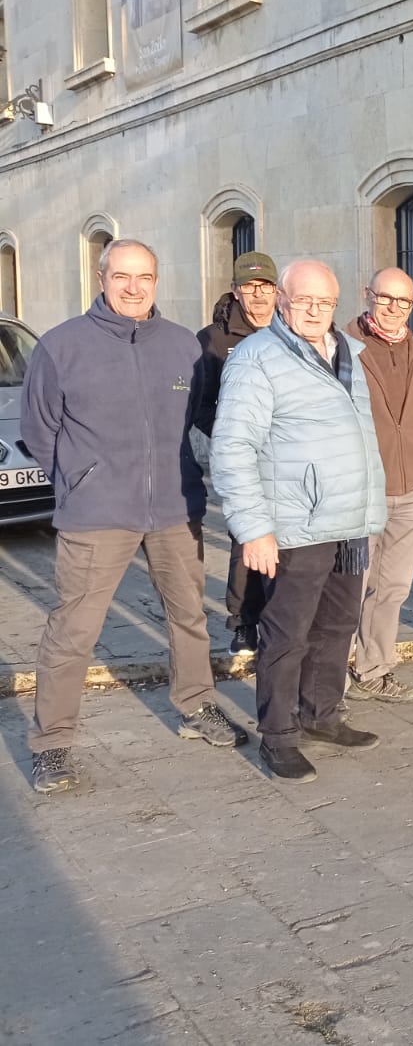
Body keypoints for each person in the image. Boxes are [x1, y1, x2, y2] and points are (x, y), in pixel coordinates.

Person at [23, 239, 247, 794]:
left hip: (174, 507)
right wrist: (81, 482)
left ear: (156, 279)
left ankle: (197, 705)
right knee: (74, 629)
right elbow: (39, 431)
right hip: (97, 514)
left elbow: (197, 414)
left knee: (189, 615)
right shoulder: (61, 346)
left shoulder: (181, 347)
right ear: (101, 277)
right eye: (121, 275)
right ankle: (52, 743)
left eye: (143, 276)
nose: (132, 286)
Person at [210, 260, 388, 784]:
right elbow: (234, 447)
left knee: (337, 625)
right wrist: (253, 529)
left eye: (326, 302)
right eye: (304, 300)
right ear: (283, 301)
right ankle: (279, 736)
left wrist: (371, 510)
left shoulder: (351, 351)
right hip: (295, 523)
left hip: (349, 520)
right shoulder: (256, 358)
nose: (315, 311)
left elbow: (362, 441)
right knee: (287, 633)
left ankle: (322, 715)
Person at [346, 268, 413, 703]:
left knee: (394, 588)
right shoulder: (342, 348)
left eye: (404, 302)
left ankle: (375, 669)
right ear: (368, 296)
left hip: (412, 487)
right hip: (362, 486)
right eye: (387, 299)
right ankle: (337, 669)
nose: (395, 309)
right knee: (350, 582)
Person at [194, 250, 279, 654]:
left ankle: (280, 617)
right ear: (235, 290)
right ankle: (243, 621)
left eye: (266, 286)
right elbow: (200, 404)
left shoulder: (292, 329)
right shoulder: (214, 340)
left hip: (288, 458)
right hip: (244, 457)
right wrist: (233, 437)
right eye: (250, 286)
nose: (259, 295)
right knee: (245, 538)